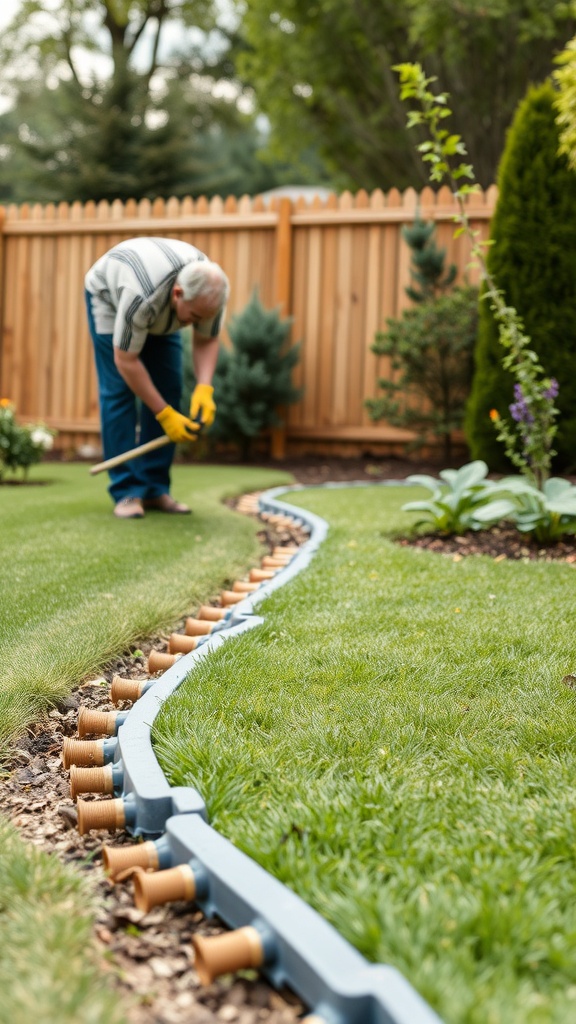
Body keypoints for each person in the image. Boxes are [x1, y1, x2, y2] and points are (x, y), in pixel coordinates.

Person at [85, 236, 230, 518]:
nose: (198, 323)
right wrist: (164, 414)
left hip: (160, 306)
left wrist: (204, 389)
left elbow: (207, 339)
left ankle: (154, 489)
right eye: (195, 316)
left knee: (169, 388)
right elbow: (126, 360)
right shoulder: (142, 295)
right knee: (118, 392)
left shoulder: (210, 293)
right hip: (111, 298)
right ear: (178, 294)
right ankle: (126, 491)